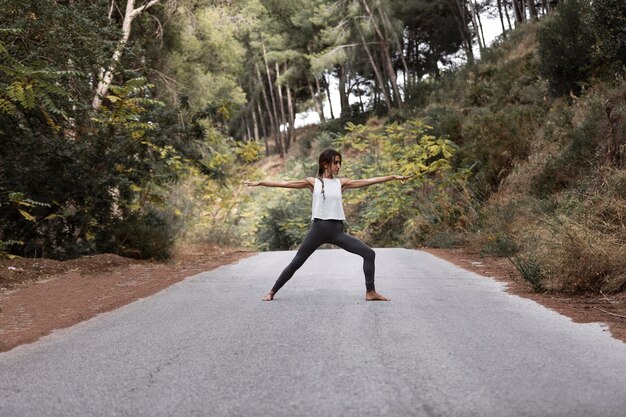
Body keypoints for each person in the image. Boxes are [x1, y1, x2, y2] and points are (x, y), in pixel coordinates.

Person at [243, 149, 412, 301]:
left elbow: (369, 180)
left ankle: (371, 292)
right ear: (325, 164)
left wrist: (391, 177)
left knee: (369, 254)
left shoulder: (341, 183)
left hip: (336, 231)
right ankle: (272, 292)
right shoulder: (313, 182)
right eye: (335, 163)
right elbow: (285, 184)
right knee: (297, 262)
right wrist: (260, 183)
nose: (338, 166)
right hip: (317, 230)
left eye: (340, 163)